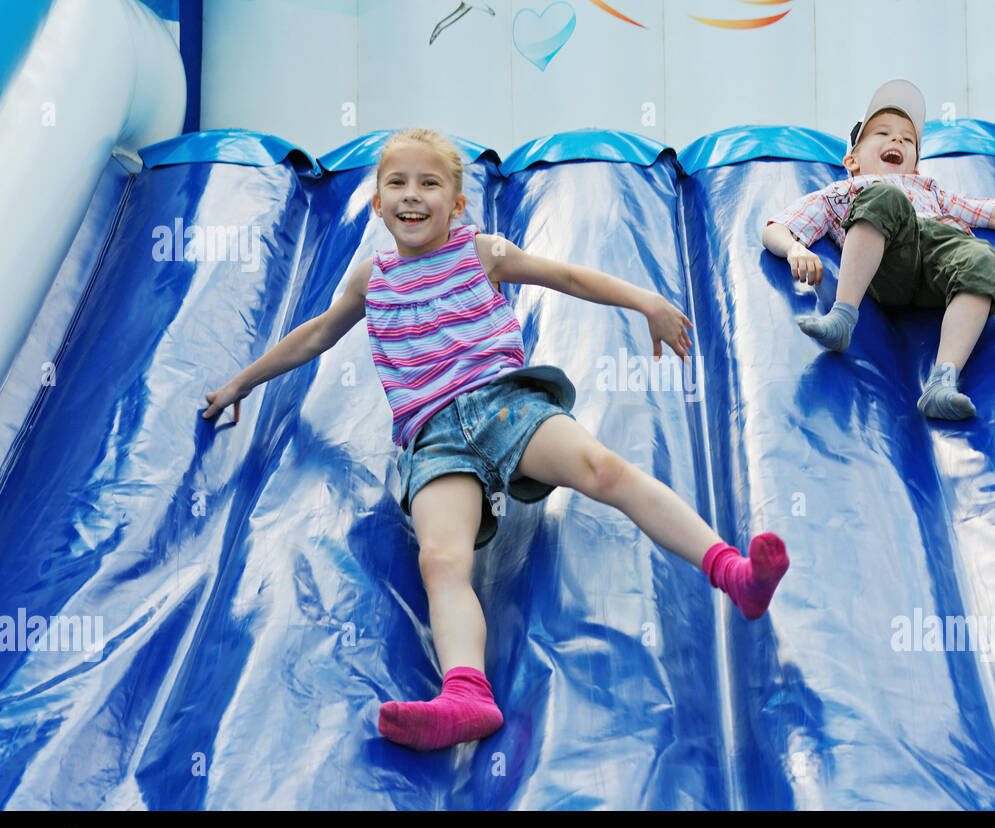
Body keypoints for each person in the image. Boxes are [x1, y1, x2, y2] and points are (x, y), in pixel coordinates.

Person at [202, 129, 789, 750]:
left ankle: (733, 572)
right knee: (442, 559)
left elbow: (566, 276)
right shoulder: (370, 279)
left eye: (430, 184)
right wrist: (242, 382)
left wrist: (646, 301)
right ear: (377, 204)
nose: (411, 195)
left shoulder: (478, 251)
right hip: (433, 440)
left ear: (456, 205)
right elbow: (316, 334)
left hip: (503, 404)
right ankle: (466, 694)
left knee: (604, 469)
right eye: (397, 183)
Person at [761, 79, 995, 420]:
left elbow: (992, 213)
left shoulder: (931, 190)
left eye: (908, 139)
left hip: (940, 255)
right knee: (884, 197)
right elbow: (778, 227)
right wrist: (794, 250)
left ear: (916, 167)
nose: (897, 140)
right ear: (852, 160)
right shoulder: (842, 192)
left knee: (981, 259)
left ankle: (942, 380)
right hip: (888, 258)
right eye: (882, 133)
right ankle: (843, 318)